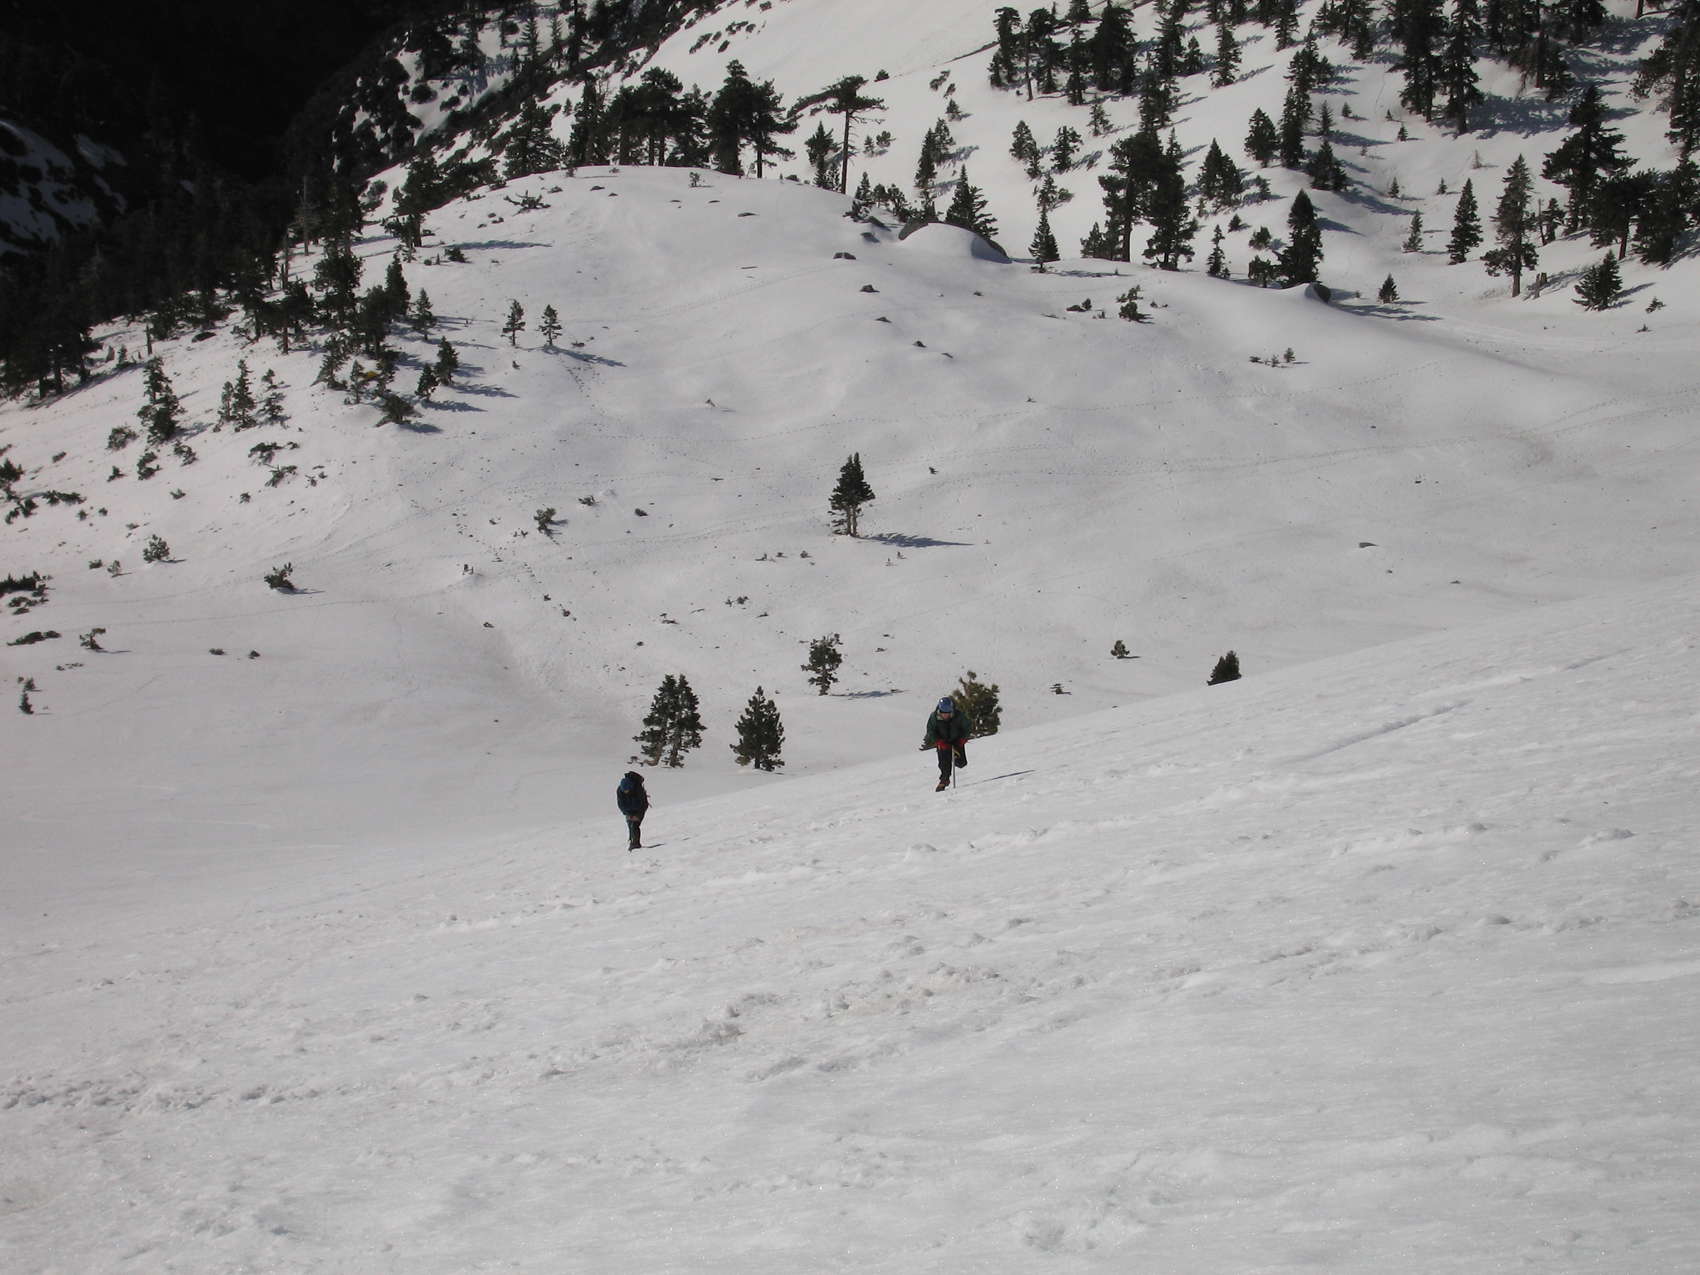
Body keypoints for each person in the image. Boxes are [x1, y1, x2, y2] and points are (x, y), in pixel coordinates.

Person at [923, 696, 971, 791]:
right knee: (944, 763)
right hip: (943, 742)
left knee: (962, 763)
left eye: (948, 713)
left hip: (957, 740)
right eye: (943, 713)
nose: (946, 715)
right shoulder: (934, 717)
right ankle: (944, 780)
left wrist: (963, 739)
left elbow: (967, 726)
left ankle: (954, 757)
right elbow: (930, 731)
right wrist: (938, 741)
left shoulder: (959, 715)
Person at [617, 771, 649, 849]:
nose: (626, 792)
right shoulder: (620, 791)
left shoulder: (638, 789)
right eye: (624, 791)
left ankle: (635, 844)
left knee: (635, 824)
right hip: (629, 810)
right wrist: (627, 813)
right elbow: (621, 805)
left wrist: (636, 815)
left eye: (627, 790)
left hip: (640, 808)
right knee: (630, 824)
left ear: (631, 787)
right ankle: (632, 841)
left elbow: (642, 804)